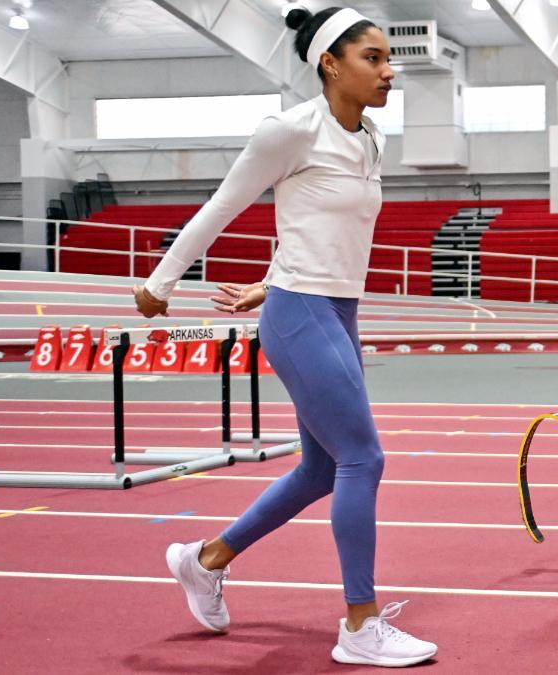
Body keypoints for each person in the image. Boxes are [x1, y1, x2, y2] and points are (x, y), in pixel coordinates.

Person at [131, 7, 437, 667]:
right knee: (364, 458)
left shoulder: (371, 137)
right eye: (374, 58)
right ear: (330, 62)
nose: (390, 70)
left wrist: (270, 279)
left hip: (331, 307)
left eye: (389, 58)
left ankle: (205, 559)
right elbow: (223, 204)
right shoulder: (290, 130)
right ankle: (360, 623)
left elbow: (318, 230)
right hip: (302, 315)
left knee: (323, 467)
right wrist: (160, 281)